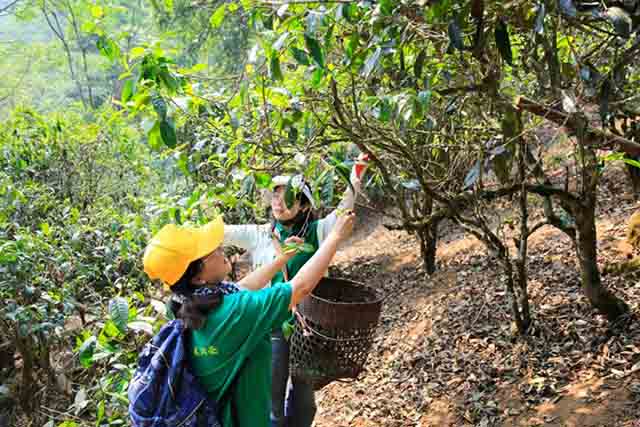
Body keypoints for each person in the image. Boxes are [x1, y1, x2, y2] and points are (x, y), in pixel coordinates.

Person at [142, 212, 356, 427]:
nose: (221, 250)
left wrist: (283, 258)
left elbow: (242, 287)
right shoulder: (233, 313)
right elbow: (300, 288)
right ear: (198, 277)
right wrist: (335, 236)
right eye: (212, 251)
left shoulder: (188, 306)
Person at [223, 158, 368, 427]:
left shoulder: (319, 231)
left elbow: (346, 205)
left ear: (303, 204)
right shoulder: (261, 234)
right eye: (275, 194)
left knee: (305, 402)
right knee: (272, 404)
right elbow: (220, 234)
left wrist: (358, 169)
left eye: (286, 196)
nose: (278, 201)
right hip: (272, 327)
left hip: (308, 327)